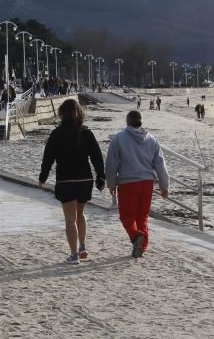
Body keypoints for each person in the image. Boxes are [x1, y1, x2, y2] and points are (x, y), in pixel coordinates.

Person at [37, 98, 105, 265]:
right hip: (84, 179)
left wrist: (43, 177)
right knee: (80, 214)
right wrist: (101, 177)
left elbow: (48, 158)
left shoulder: (56, 134)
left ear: (61, 114)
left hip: (66, 179)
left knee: (70, 219)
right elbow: (97, 157)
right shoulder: (86, 133)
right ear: (79, 113)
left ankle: (74, 254)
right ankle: (82, 247)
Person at [105, 110, 169, 259]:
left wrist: (111, 183)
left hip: (128, 183)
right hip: (147, 183)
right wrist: (164, 186)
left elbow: (111, 163)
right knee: (142, 216)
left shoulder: (119, 138)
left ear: (127, 122)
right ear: (140, 122)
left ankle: (136, 237)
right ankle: (142, 246)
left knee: (127, 216)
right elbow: (160, 164)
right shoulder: (151, 139)